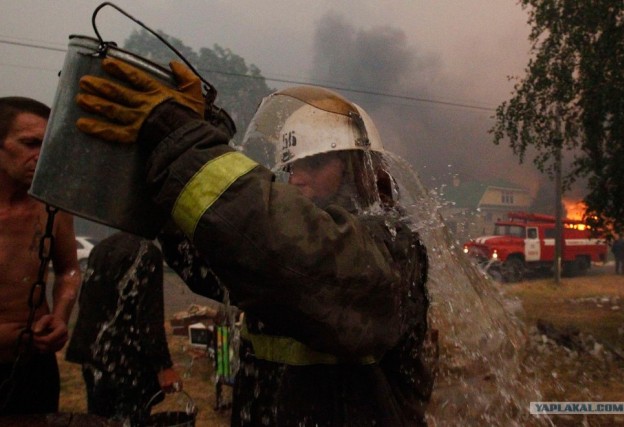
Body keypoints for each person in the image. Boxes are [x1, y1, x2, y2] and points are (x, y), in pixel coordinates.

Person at [74, 58, 437, 425]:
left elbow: (298, 252)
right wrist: (184, 155)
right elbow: (216, 254)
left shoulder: (392, 242)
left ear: (356, 168)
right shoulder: (270, 249)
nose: (297, 179)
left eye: (315, 164)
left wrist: (184, 142)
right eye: (293, 167)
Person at [0, 97, 81, 415]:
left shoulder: (51, 205)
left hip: (34, 366)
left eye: (45, 144)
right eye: (29, 143)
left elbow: (69, 271)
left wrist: (60, 317)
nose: (40, 155)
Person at [66, 231, 182, 426]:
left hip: (95, 358)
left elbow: (86, 300)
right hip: (129, 366)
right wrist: (164, 366)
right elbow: (149, 318)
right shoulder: (148, 253)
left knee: (100, 419)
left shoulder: (101, 247)